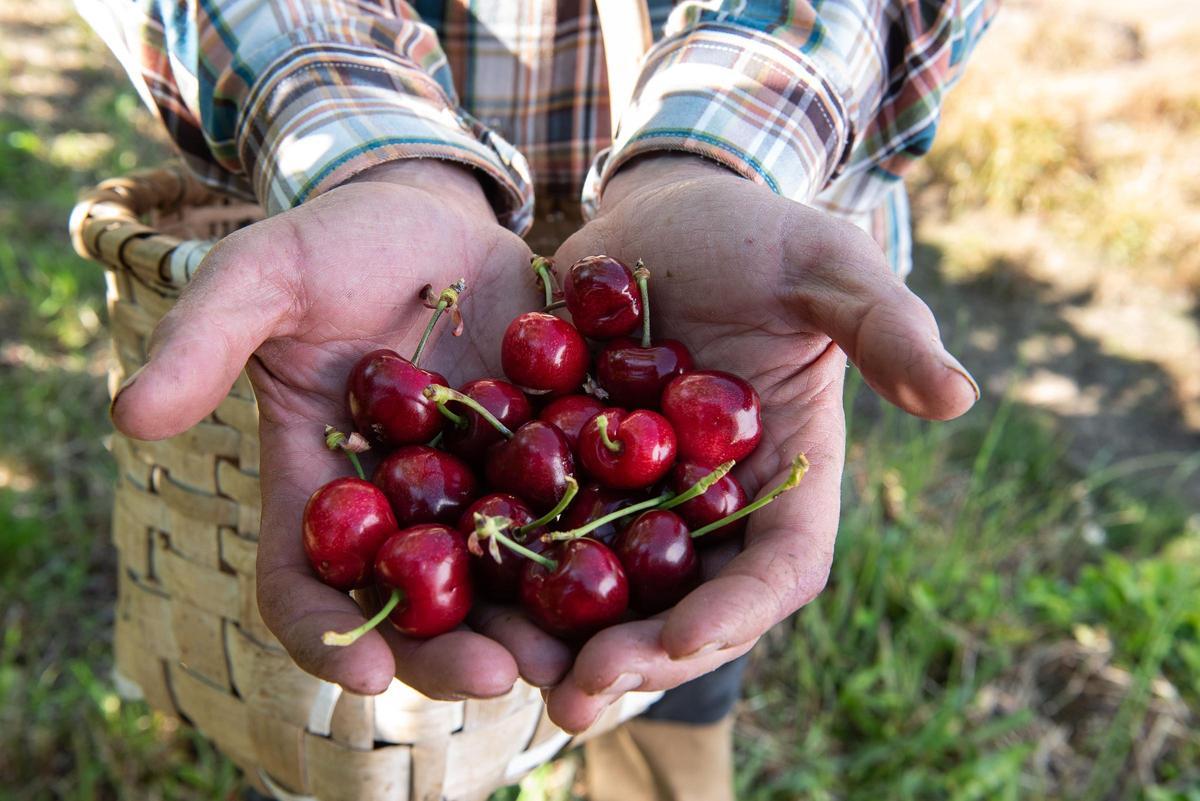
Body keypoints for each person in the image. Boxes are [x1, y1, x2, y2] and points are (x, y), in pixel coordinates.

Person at [81, 1, 994, 798]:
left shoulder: (653, 414)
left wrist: (712, 161)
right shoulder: (522, 438)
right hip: (359, 204)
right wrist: (372, 155)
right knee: (356, 737)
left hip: (754, 236)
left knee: (688, 641)